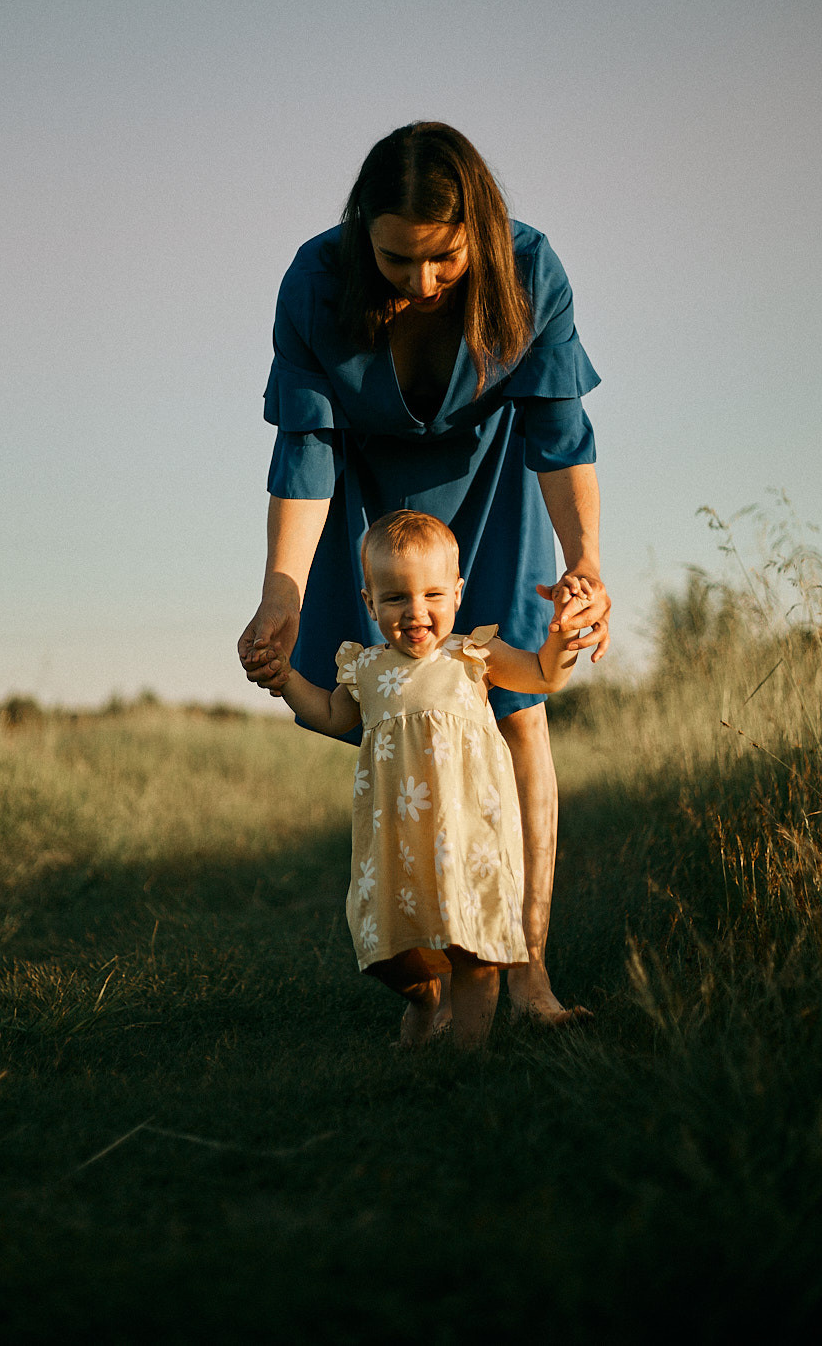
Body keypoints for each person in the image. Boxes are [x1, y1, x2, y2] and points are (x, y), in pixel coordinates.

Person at [239, 122, 611, 1026]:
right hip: (368, 501)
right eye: (396, 260)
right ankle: (428, 962)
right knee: (394, 716)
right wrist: (280, 593)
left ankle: (529, 975)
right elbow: (306, 449)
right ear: (363, 231)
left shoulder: (530, 271)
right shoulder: (317, 281)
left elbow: (560, 437)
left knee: (517, 710)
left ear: (477, 231)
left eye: (441, 259)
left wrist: (585, 564)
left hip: (494, 483)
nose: (419, 282)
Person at [261, 511, 604, 1047]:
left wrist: (561, 639)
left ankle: (467, 1061)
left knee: (475, 949)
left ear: (458, 593)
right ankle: (422, 998)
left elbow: (542, 676)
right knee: (390, 948)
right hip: (396, 839)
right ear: (369, 601)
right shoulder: (366, 668)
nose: (416, 612)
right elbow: (330, 715)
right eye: (395, 598)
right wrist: (286, 681)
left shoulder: (475, 653)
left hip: (470, 834)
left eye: (433, 595)